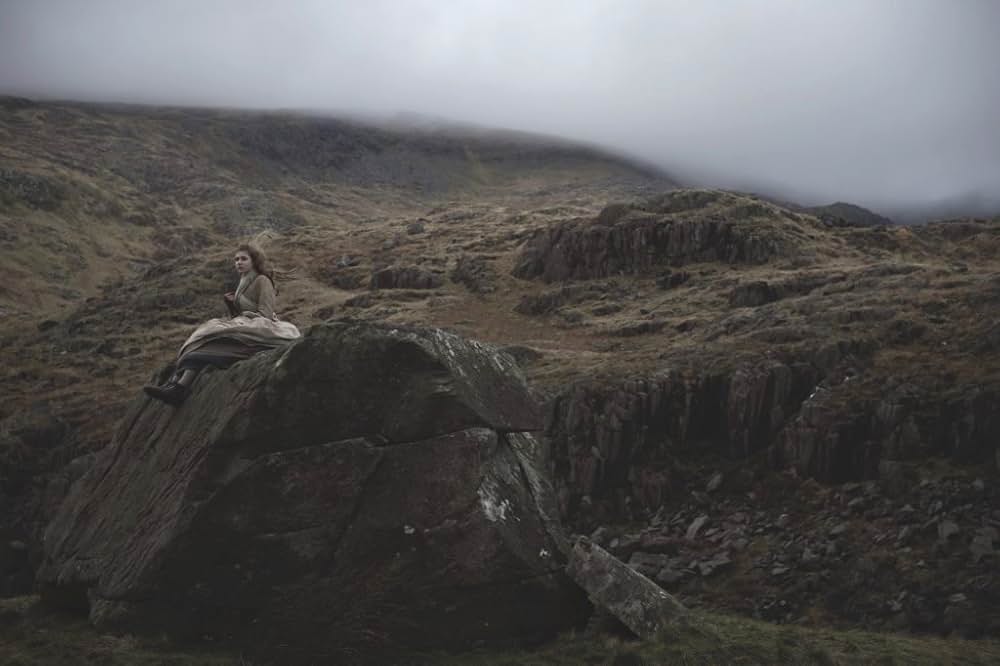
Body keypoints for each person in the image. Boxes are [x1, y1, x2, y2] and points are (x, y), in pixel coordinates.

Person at [143, 243, 301, 405]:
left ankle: (179, 389)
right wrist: (232, 305)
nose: (239, 262)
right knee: (199, 342)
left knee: (206, 349)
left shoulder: (262, 281)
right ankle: (174, 385)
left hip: (263, 331)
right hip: (248, 327)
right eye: (236, 259)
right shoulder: (243, 281)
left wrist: (241, 315)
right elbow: (241, 315)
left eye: (243, 259)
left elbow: (266, 314)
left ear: (254, 261)